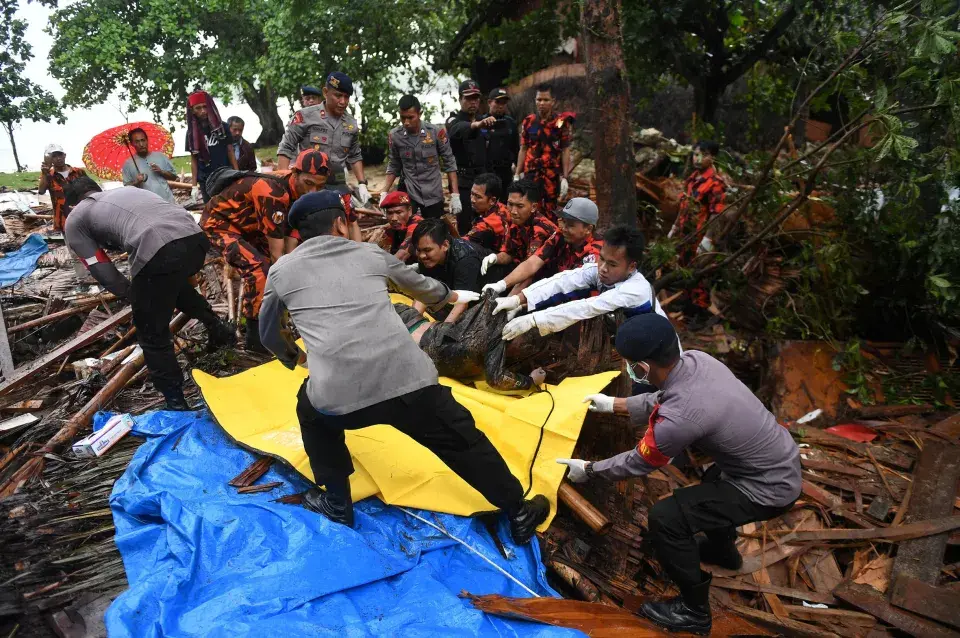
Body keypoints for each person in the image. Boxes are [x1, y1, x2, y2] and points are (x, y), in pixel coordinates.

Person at [258, 191, 549, 542]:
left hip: (338, 397)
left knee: (312, 410)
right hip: (409, 384)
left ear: (299, 233)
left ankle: (336, 501)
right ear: (339, 223)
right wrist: (451, 296)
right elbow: (428, 291)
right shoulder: (369, 254)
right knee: (462, 440)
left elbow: (268, 333)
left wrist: (297, 358)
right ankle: (518, 511)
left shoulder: (281, 271)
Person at [557, 314, 801, 635]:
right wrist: (613, 404)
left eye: (631, 365)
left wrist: (590, 470)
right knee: (714, 482)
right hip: (776, 458)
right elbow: (664, 397)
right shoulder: (698, 361)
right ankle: (724, 552)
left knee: (667, 517)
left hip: (770, 489)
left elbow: (641, 461)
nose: (630, 370)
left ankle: (694, 611)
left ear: (643, 368)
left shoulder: (679, 419)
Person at [63, 177, 233, 410]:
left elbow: (101, 268)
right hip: (195, 239)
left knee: (151, 332)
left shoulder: (74, 219)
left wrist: (132, 296)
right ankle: (219, 329)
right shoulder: (125, 192)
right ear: (96, 190)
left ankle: (175, 401)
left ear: (72, 204)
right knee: (167, 285)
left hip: (157, 246)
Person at [201, 149, 330, 351]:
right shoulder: (274, 193)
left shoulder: (295, 188)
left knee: (277, 268)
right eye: (308, 183)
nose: (312, 192)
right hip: (220, 224)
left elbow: (290, 234)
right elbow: (278, 254)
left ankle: (272, 316)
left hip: (252, 226)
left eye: (319, 186)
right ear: (294, 173)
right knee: (259, 269)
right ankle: (256, 335)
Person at [491, 225, 667, 342]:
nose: (603, 268)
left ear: (631, 266)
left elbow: (586, 307)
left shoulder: (634, 290)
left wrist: (533, 319)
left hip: (656, 350)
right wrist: (517, 299)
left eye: (612, 264)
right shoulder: (599, 271)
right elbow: (562, 281)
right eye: (602, 259)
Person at [393, 293, 546, 393]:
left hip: (415, 331)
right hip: (411, 335)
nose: (521, 349)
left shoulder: (496, 323)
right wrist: (530, 381)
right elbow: (496, 379)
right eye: (524, 345)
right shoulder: (498, 339)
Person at [277, 73, 369, 205]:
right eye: (338, 95)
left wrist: (362, 184)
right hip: (310, 184)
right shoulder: (305, 116)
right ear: (326, 92)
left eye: (346, 97)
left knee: (342, 218)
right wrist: (282, 183)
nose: (343, 102)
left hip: (337, 183)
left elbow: (355, 156)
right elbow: (286, 148)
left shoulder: (351, 124)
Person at [484, 197, 601, 295]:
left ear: (588, 229)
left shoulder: (595, 253)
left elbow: (571, 290)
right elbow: (533, 262)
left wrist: (522, 301)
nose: (564, 228)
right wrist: (502, 284)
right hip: (552, 295)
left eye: (570, 225)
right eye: (563, 222)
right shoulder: (560, 236)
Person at [668, 140, 728, 308]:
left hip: (700, 235)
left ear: (713, 157)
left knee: (699, 273)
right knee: (683, 268)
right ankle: (686, 304)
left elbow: (716, 213)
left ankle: (700, 308)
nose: (698, 158)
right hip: (685, 235)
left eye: (704, 154)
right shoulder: (692, 179)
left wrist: (708, 239)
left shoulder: (716, 183)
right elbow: (684, 206)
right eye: (695, 154)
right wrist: (674, 227)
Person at [381, 94, 460, 220]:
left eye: (410, 117)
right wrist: (384, 191)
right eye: (403, 118)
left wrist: (455, 194)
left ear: (420, 114)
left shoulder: (436, 132)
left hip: (433, 193)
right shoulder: (395, 136)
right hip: (409, 192)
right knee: (405, 230)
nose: (406, 122)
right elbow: (394, 164)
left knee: (433, 231)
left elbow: (449, 162)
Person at [476, 179, 557, 291]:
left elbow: (530, 269)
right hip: (522, 269)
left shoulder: (540, 229)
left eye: (520, 206)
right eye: (510, 204)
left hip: (546, 279)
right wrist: (495, 258)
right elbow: (510, 253)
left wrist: (509, 296)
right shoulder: (516, 221)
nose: (513, 211)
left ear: (533, 207)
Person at [412, 218, 496, 324]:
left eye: (427, 250)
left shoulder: (465, 260)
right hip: (455, 289)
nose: (422, 256)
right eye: (418, 250)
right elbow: (424, 290)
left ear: (445, 245)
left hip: (489, 297)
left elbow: (462, 303)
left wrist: (440, 332)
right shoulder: (426, 256)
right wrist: (411, 324)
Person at [515, 83, 575, 218]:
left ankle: (548, 238)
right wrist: (517, 174)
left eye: (546, 100)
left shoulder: (561, 122)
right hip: (531, 173)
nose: (542, 103)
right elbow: (523, 148)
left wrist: (565, 177)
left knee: (550, 211)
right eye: (539, 100)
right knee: (529, 208)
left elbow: (565, 149)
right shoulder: (529, 121)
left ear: (553, 101)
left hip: (551, 175)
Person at [445, 79, 491, 234]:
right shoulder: (454, 120)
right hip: (463, 183)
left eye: (476, 98)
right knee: (465, 224)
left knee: (486, 222)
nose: (473, 102)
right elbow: (457, 130)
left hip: (483, 179)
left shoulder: (484, 120)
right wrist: (476, 125)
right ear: (460, 100)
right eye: (468, 98)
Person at [186, 90, 237, 201]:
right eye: (198, 108)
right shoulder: (192, 133)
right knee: (211, 211)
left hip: (225, 175)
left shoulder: (222, 127)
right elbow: (194, 158)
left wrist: (237, 174)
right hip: (206, 180)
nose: (203, 111)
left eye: (205, 107)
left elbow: (230, 151)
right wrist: (194, 186)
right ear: (192, 111)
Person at [37, 143, 87, 231]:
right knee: (70, 244)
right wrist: (45, 173)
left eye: (60, 155)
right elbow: (41, 191)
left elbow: (89, 190)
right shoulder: (48, 175)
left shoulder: (78, 172)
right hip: (62, 220)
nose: (58, 158)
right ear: (50, 159)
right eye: (54, 156)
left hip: (82, 216)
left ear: (64, 155)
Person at [121, 127, 178, 203]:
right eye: (137, 142)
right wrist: (137, 182)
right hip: (146, 205)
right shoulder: (128, 164)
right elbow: (127, 188)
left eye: (143, 140)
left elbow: (174, 177)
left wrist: (161, 172)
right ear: (132, 144)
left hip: (167, 201)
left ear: (147, 140)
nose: (141, 144)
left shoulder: (161, 156)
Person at [484, 88, 519, 194]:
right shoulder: (482, 122)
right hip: (487, 173)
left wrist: (519, 171)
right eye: (498, 102)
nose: (501, 105)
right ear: (489, 102)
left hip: (506, 172)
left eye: (504, 103)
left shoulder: (511, 123)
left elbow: (516, 148)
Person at [464, 173, 510, 253]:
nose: (472, 200)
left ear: (492, 200)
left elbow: (461, 245)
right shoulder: (501, 207)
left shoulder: (489, 223)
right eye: (472, 194)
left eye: (478, 197)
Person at [380, 190, 422, 263]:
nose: (394, 218)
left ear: (409, 211)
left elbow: (401, 256)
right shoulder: (392, 226)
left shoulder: (416, 225)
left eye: (398, 212)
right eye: (390, 213)